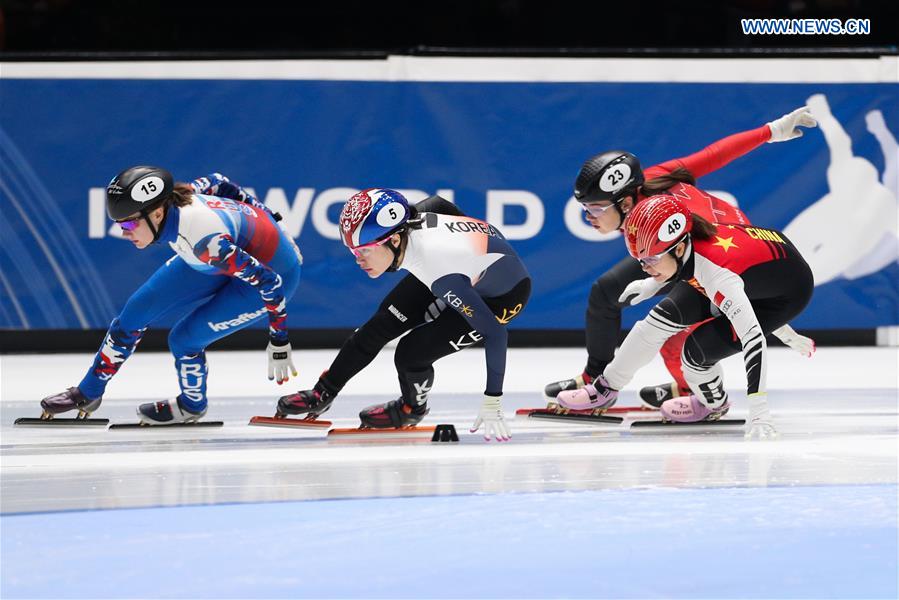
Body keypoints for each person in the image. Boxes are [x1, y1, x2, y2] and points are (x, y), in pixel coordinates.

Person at [544, 106, 818, 406]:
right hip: (683, 247)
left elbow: (739, 285)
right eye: (585, 209)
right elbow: (713, 155)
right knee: (608, 291)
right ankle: (596, 379)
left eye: (595, 209)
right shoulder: (650, 180)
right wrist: (772, 131)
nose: (588, 218)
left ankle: (695, 391)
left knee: (674, 329)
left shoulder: (681, 228)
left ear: (624, 203)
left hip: (720, 247)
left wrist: (781, 328)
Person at [39, 167, 303, 424]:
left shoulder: (205, 243)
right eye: (119, 224)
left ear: (156, 214)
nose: (124, 232)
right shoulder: (182, 196)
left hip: (270, 274)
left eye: (130, 222)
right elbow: (219, 181)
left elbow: (270, 282)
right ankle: (88, 392)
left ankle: (191, 406)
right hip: (222, 256)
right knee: (133, 315)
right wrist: (272, 219)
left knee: (184, 340)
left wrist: (279, 340)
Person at [276, 189, 531, 441]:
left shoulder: (440, 271)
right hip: (458, 272)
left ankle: (411, 410)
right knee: (379, 326)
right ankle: (323, 393)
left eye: (364, 250)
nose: (358, 260)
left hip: (503, 297)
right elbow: (440, 204)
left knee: (411, 353)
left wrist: (492, 400)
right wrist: (467, 261)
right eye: (353, 251)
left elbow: (496, 333)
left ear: (395, 240)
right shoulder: (412, 220)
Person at [556, 194, 814, 439]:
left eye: (651, 260)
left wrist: (759, 412)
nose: (646, 268)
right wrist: (650, 284)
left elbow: (753, 337)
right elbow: (738, 277)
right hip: (759, 275)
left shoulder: (717, 276)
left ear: (679, 249)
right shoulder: (686, 246)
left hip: (784, 295)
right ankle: (604, 389)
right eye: (640, 261)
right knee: (656, 322)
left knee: (695, 353)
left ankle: (712, 404)